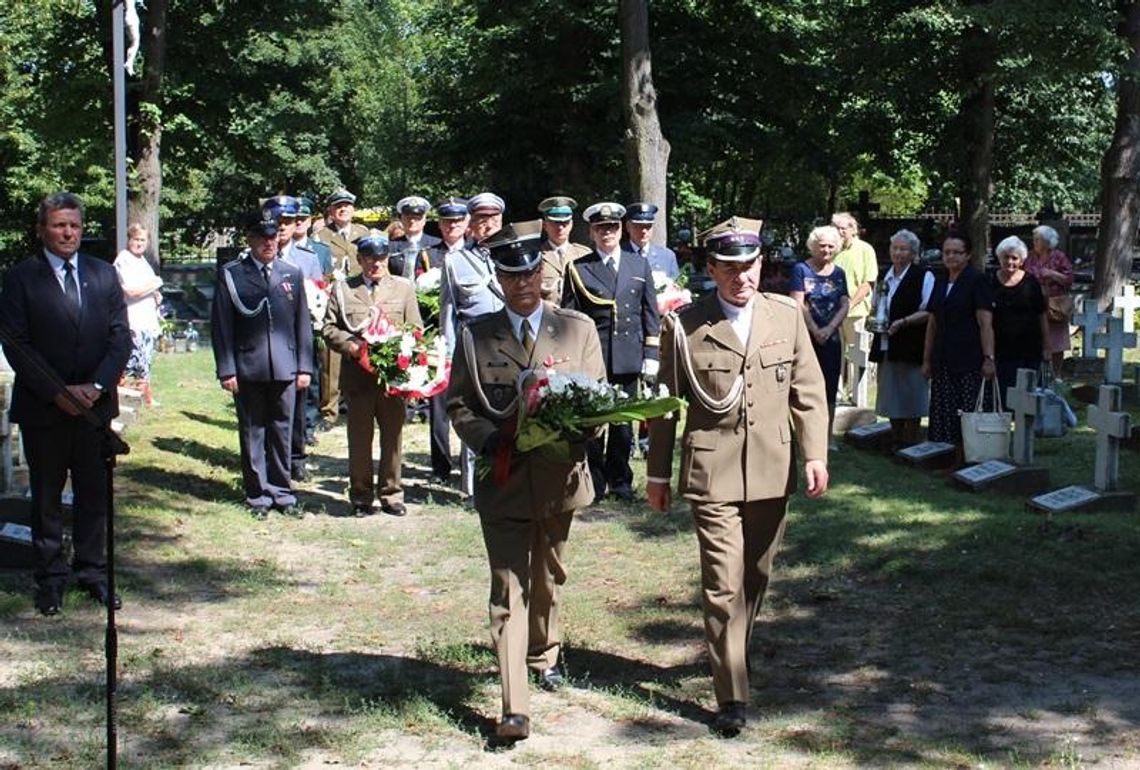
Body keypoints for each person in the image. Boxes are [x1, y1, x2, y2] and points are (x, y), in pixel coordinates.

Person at [646, 218, 829, 736]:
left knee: (756, 576)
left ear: (760, 267)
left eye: (749, 267)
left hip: (773, 468)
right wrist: (657, 474)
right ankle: (732, 696)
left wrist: (815, 454)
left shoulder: (786, 316)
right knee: (723, 585)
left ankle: (734, 656)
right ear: (711, 269)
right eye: (729, 268)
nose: (741, 278)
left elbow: (809, 391)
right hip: (712, 472)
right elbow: (665, 407)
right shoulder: (685, 325)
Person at [447, 221, 606, 741]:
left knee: (549, 576)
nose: (522, 284)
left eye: (530, 273)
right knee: (508, 587)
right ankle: (514, 706)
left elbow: (601, 401)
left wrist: (576, 428)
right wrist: (487, 440)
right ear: (498, 276)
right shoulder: (476, 336)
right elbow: (458, 403)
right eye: (510, 274)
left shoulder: (577, 330)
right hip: (506, 478)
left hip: (560, 476)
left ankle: (545, 651)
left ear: (544, 273)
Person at [0, 192, 131, 615]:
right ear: (42, 230)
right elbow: (16, 343)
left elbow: (120, 336)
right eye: (59, 225)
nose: (68, 233)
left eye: (73, 225)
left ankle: (92, 571)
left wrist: (95, 386)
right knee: (47, 498)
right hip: (45, 409)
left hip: (94, 410)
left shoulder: (102, 274)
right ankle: (50, 577)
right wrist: (60, 392)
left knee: (94, 496)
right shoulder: (22, 278)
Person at [211, 209, 314, 518]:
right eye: (262, 238)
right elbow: (221, 325)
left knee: (283, 431)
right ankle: (258, 495)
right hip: (248, 365)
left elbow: (302, 324)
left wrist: (305, 366)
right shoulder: (232, 274)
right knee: (253, 431)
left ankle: (283, 493)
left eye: (273, 238)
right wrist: (226, 368)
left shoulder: (291, 272)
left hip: (285, 365)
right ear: (251, 239)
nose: (269, 243)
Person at [562, 201, 660, 502]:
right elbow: (570, 317)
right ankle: (595, 481)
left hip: (629, 356)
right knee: (593, 422)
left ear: (621, 230)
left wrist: (651, 356)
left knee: (622, 423)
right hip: (595, 358)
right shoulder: (579, 268)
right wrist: (571, 360)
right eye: (601, 228)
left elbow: (650, 313)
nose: (608, 233)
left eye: (613, 227)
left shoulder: (638, 265)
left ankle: (621, 481)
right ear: (592, 232)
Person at [322, 236, 422, 516]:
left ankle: (392, 493)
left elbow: (415, 328)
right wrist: (350, 346)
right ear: (360, 260)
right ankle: (361, 497)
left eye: (381, 259)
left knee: (393, 437)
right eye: (369, 259)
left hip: (392, 378)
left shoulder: (403, 288)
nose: (375, 264)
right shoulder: (344, 289)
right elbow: (329, 328)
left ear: (388, 258)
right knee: (359, 439)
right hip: (358, 377)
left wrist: (400, 349)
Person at [440, 191, 507, 497]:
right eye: (481, 219)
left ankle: (507, 476)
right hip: (473, 348)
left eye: (493, 218)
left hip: (510, 345)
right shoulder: (455, 261)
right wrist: (449, 358)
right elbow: (448, 312)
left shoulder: (513, 255)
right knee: (473, 414)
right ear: (471, 223)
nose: (487, 225)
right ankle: (471, 488)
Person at [922, 234, 996, 456]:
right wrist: (926, 359)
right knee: (945, 409)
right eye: (947, 252)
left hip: (969, 357)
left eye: (957, 252)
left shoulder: (977, 280)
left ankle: (968, 455)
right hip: (943, 356)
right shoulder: (941, 279)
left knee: (967, 408)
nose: (951, 256)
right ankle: (947, 455)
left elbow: (985, 323)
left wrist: (989, 358)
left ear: (968, 255)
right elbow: (932, 323)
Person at [869, 229, 934, 447]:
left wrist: (904, 321)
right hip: (888, 343)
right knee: (890, 391)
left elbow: (928, 311)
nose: (898, 253)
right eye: (895, 248)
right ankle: (895, 437)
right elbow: (877, 305)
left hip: (911, 343)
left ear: (913, 253)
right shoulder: (886, 275)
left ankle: (912, 438)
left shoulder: (923, 276)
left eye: (903, 249)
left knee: (912, 391)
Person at [423, 197, 471, 484]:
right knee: (439, 406)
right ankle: (441, 466)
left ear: (466, 223)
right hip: (436, 338)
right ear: (439, 224)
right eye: (447, 221)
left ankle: (469, 470)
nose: (452, 226)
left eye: (457, 221)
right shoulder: (430, 255)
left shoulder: (478, 255)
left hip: (467, 336)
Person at [314, 188, 370, 431]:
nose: (343, 209)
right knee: (331, 358)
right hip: (333, 298)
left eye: (347, 205)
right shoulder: (321, 236)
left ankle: (359, 402)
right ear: (331, 211)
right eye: (338, 206)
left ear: (353, 210)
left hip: (359, 298)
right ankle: (329, 411)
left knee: (363, 349)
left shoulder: (363, 233)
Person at [789, 225, 849, 444]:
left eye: (831, 246)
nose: (826, 250)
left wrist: (829, 329)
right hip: (806, 337)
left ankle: (827, 436)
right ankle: (804, 435)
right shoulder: (800, 270)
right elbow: (798, 302)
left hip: (831, 338)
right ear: (812, 246)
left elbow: (845, 303)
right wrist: (815, 330)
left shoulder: (839, 273)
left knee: (830, 387)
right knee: (803, 386)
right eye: (821, 245)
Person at [991, 236, 1048, 400]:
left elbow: (1041, 314)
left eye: (1014, 258)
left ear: (1021, 260)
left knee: (1027, 395)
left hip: (1029, 349)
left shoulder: (1032, 283)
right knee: (1003, 394)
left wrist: (1047, 346)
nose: (1010, 262)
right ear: (999, 258)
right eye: (1006, 257)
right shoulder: (989, 280)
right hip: (1000, 350)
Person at [113, 222, 164, 406]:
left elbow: (148, 287)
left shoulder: (142, 260)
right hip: (133, 319)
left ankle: (144, 396)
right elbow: (131, 291)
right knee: (130, 362)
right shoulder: (124, 259)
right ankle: (124, 396)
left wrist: (156, 294)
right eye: (136, 239)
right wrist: (156, 284)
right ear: (129, 239)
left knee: (145, 361)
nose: (139, 243)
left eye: (143, 240)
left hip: (147, 319)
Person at [831, 212, 878, 401]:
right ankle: (838, 393)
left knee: (854, 353)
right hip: (833, 312)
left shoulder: (865, 249)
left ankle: (855, 395)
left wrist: (850, 304)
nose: (839, 232)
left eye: (843, 228)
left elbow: (868, 282)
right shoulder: (834, 250)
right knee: (836, 353)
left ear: (853, 229)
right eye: (836, 228)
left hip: (855, 311)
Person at [1024, 224, 1074, 373]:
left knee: (1057, 341)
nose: (1034, 242)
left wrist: (1052, 274)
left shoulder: (1059, 257)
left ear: (1047, 242)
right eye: (1034, 239)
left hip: (1055, 306)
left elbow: (1069, 279)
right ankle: (1038, 371)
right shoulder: (1029, 256)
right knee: (1035, 337)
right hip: (1033, 303)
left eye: (1037, 239)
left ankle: (1056, 374)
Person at [536, 196, 590, 301]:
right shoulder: (535, 256)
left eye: (565, 223)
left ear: (571, 225)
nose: (560, 227)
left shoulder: (584, 254)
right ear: (545, 225)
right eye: (555, 223)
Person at [388, 195, 441, 280]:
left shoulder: (437, 245)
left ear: (424, 220)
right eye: (408, 217)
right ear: (401, 219)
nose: (412, 221)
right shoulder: (391, 246)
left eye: (417, 218)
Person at [624, 202, 680, 279]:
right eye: (638, 226)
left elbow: (675, 287)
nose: (644, 231)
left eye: (648, 226)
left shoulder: (667, 256)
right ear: (628, 227)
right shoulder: (617, 254)